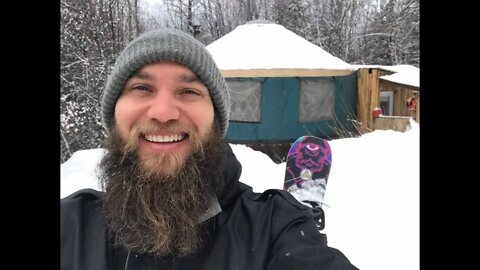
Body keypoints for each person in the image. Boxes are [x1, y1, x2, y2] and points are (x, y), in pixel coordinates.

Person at [60, 28, 359, 270]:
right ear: (114, 115)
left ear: (217, 120)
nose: (163, 113)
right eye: (142, 89)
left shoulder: (273, 229)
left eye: (189, 91)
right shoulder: (70, 227)